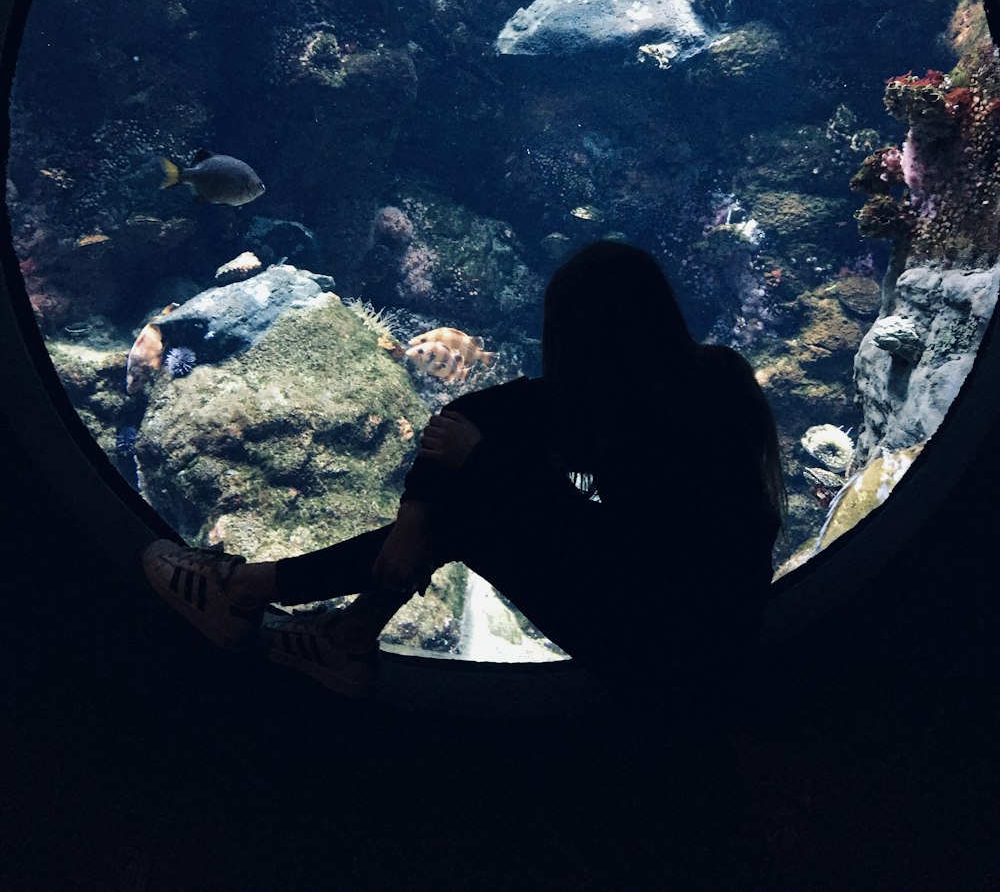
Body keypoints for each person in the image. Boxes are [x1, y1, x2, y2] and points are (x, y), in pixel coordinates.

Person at [144, 239, 785, 705]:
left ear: (581, 338)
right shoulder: (645, 385)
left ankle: (252, 595)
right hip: (652, 623)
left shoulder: (693, 408)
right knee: (465, 488)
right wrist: (414, 518)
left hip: (678, 660)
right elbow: (465, 413)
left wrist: (482, 465)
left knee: (477, 507)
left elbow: (627, 556)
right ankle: (332, 630)